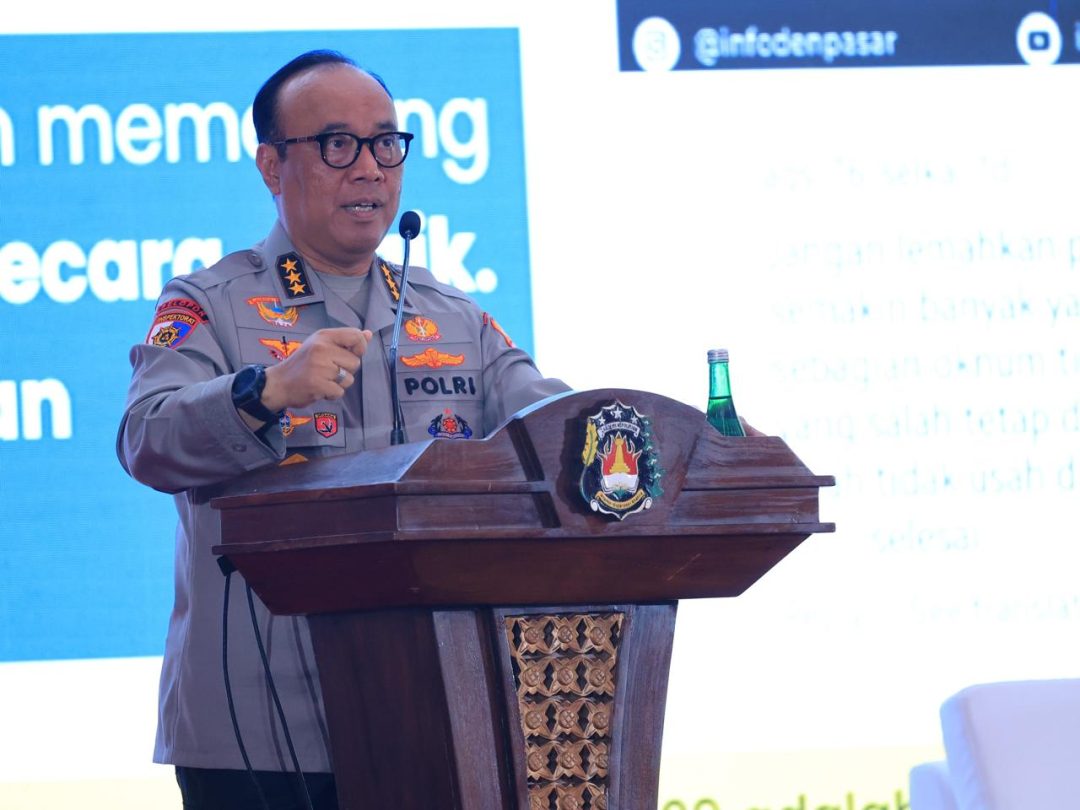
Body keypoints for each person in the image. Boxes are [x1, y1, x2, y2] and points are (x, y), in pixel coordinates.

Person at [117, 50, 568, 810]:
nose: (369, 168)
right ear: (271, 165)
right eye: (337, 145)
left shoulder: (455, 317)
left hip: (431, 714)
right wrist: (263, 392)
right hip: (260, 731)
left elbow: (551, 424)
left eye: (386, 143)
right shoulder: (210, 304)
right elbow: (145, 439)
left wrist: (674, 438)